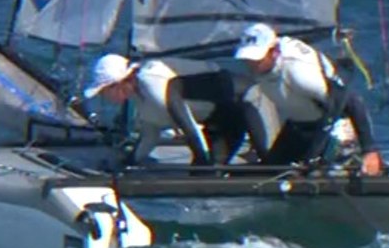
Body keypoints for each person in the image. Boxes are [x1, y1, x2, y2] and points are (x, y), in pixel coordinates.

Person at [234, 23, 383, 176]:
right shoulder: (261, 68)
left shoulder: (299, 73)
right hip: (300, 125)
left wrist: (369, 150)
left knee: (308, 173)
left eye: (256, 59)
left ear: (274, 52)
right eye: (247, 58)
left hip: (332, 125)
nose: (251, 64)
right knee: (269, 172)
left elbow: (352, 100)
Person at [83, 54, 263, 167]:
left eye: (103, 91)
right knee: (203, 173)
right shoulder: (138, 95)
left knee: (208, 171)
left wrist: (204, 163)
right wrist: (128, 163)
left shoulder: (151, 83)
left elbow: (190, 128)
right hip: (217, 120)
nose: (103, 97)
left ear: (118, 83)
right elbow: (150, 135)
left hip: (242, 102)